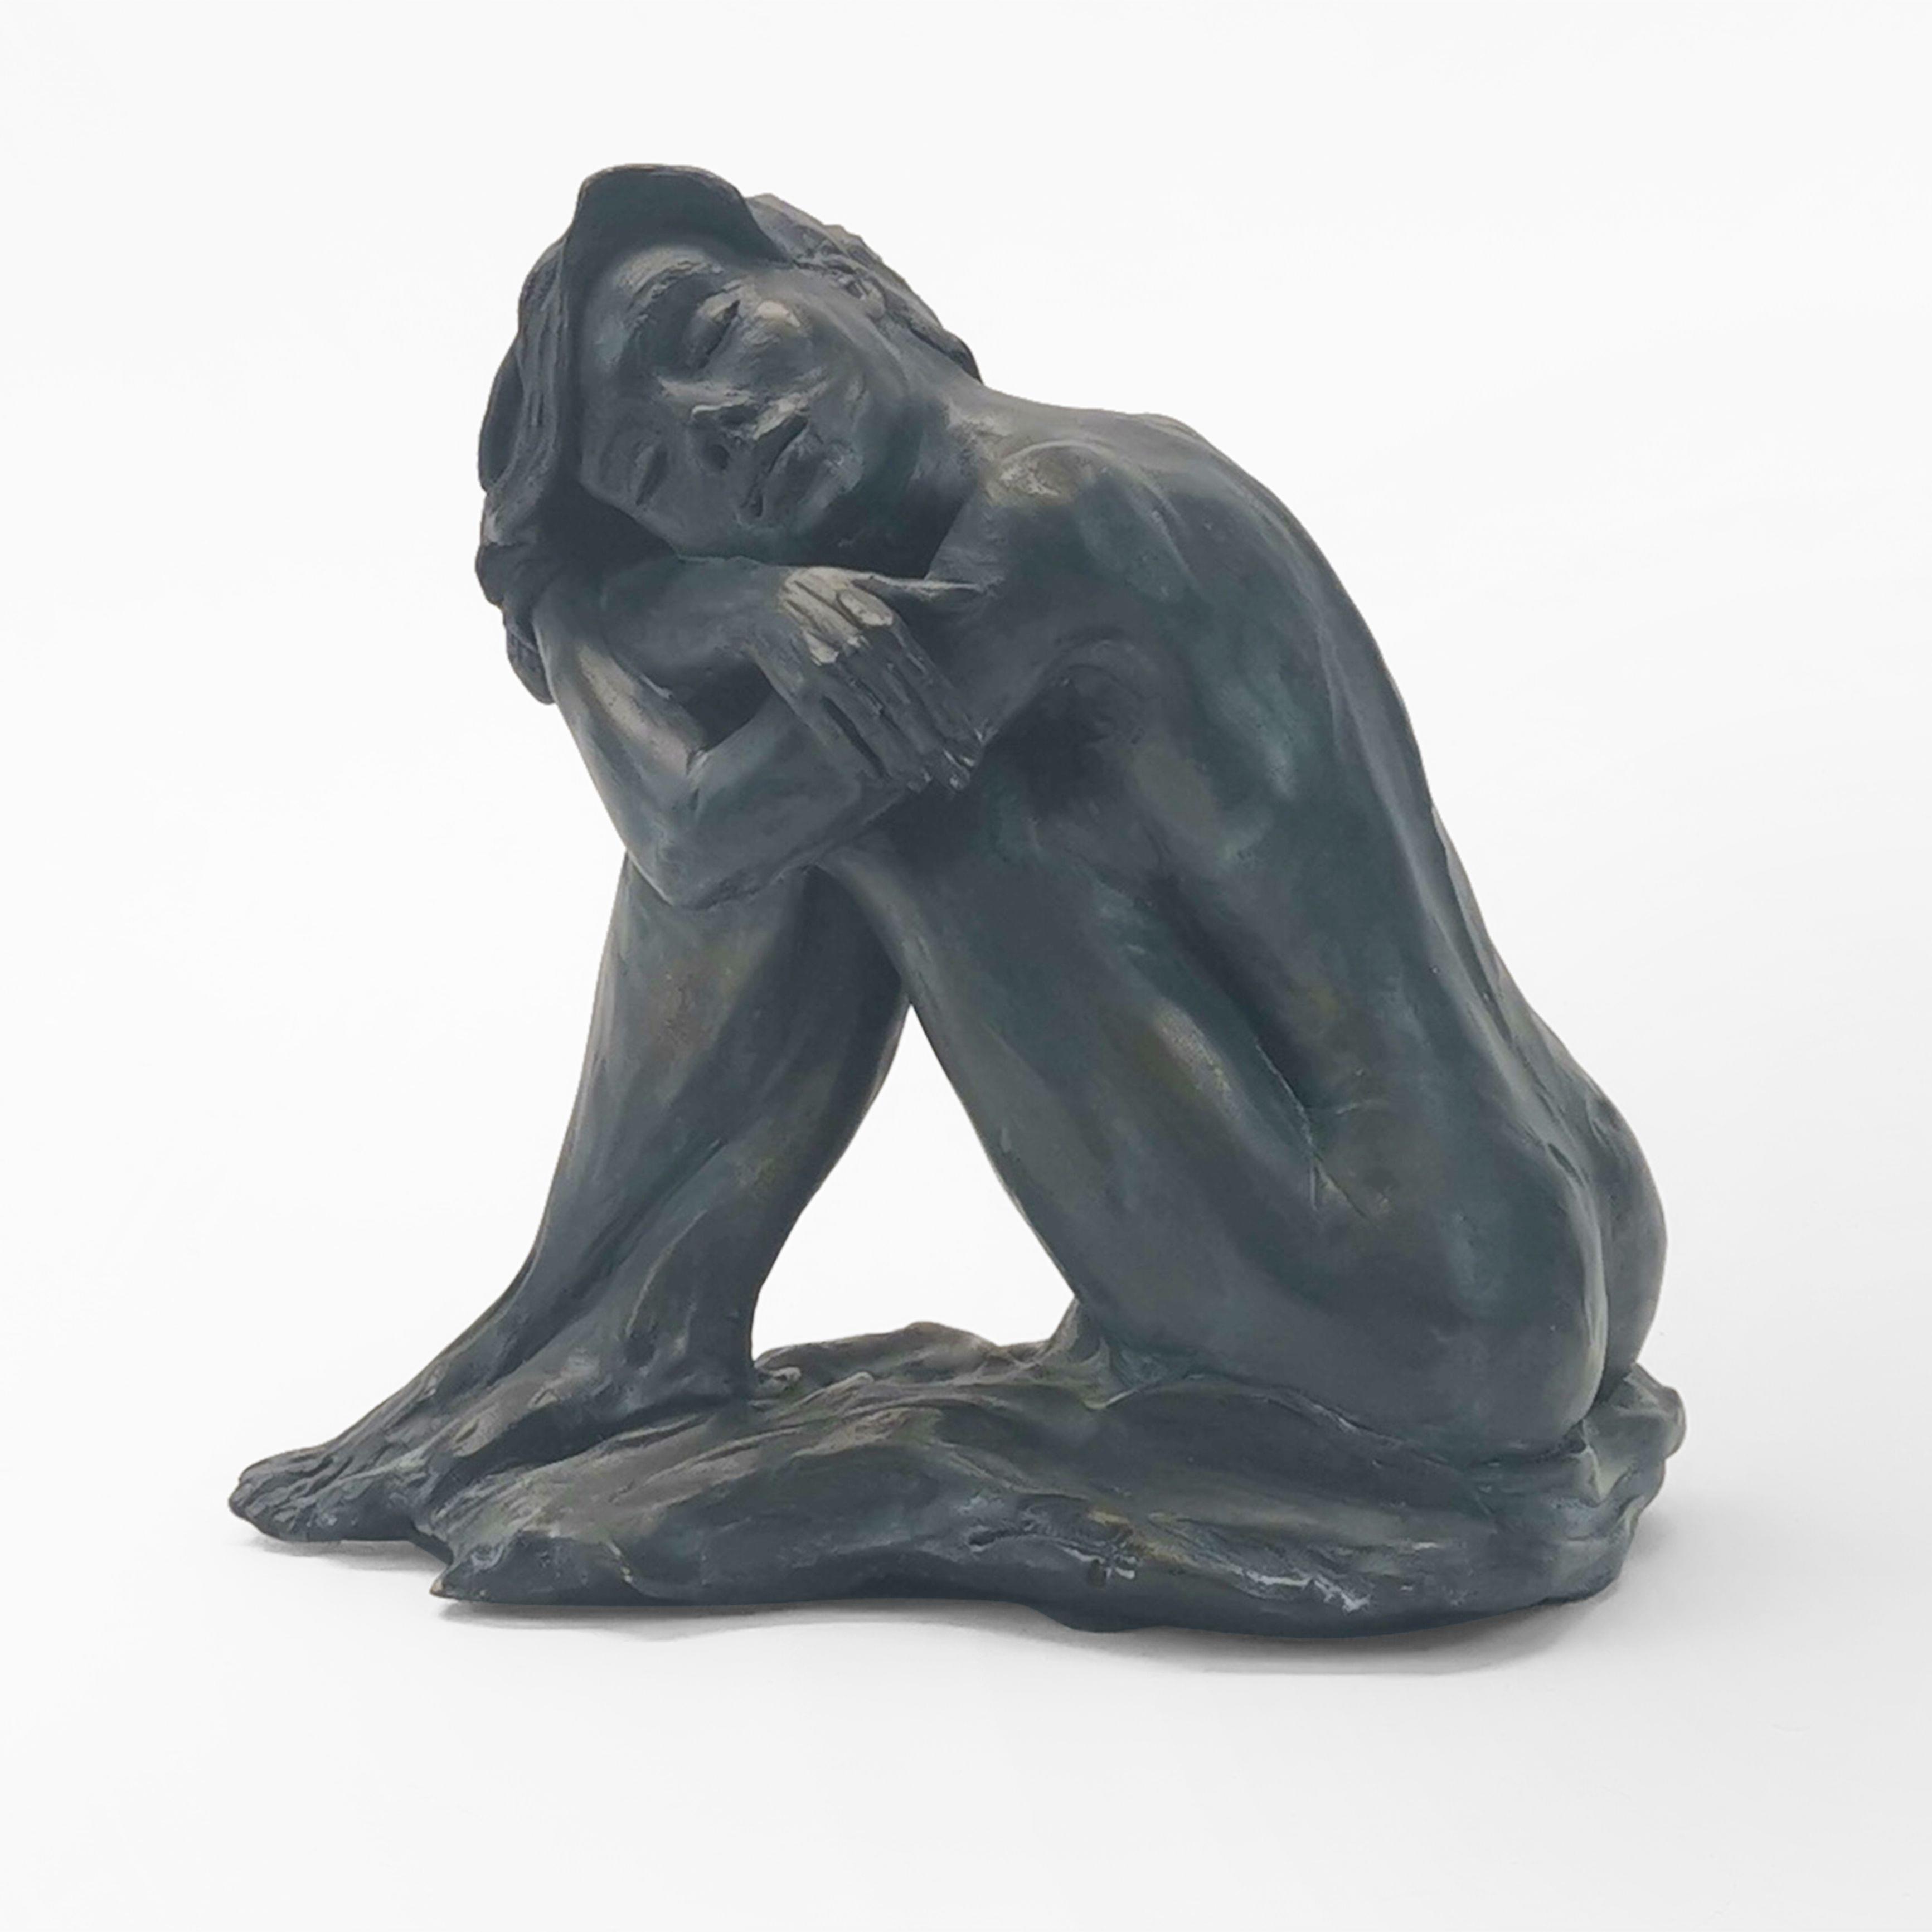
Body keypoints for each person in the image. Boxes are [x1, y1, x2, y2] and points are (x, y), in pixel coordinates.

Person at [232, 167, 1666, 1551]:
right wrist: (738, 601)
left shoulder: (1056, 520)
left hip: (1417, 1307)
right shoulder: (1120, 453)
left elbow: (694, 836)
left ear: (850, 278)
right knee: (853, 714)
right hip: (1574, 1218)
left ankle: (610, 1332)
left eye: (707, 332)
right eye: (653, 472)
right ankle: (605, 1326)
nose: (710, 430)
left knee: (859, 773)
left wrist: (572, 617)